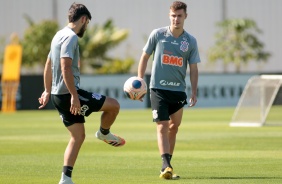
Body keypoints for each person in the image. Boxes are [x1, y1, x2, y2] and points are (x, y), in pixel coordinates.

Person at [38, 3, 125, 184]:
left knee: (77, 137)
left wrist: (47, 90)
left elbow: (48, 64)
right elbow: (65, 67)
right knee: (114, 105)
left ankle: (65, 179)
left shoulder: (58, 35)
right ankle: (104, 133)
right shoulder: (71, 38)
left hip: (57, 95)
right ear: (84, 19)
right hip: (69, 94)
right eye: (87, 23)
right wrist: (75, 97)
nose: (87, 27)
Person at [137, 1, 200, 180]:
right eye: (173, 15)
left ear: (185, 16)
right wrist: (140, 80)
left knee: (174, 127)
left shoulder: (190, 41)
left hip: (178, 91)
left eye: (179, 15)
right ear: (169, 15)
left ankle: (167, 167)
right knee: (162, 125)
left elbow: (194, 68)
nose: (176, 19)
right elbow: (144, 56)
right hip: (158, 89)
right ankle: (166, 165)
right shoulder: (158, 34)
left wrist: (194, 91)